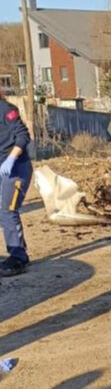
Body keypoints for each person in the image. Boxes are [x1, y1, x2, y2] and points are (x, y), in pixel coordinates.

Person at [0, 90, 32, 277]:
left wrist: (11, 159)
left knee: (8, 210)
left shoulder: (6, 109)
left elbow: (23, 136)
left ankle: (18, 256)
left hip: (16, 169)